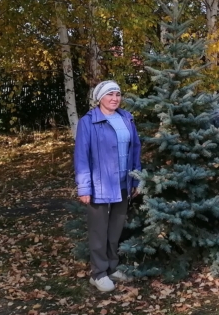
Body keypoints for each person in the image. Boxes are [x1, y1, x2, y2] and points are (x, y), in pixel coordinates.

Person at [74, 80, 141, 292]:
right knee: (98, 230)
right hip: (99, 185)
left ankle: (112, 267)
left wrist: (136, 179)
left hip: (123, 183)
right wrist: (84, 187)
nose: (114, 98)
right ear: (100, 98)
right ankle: (98, 273)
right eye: (110, 94)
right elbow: (81, 156)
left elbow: (136, 149)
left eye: (118, 94)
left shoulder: (126, 118)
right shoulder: (89, 121)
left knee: (115, 229)